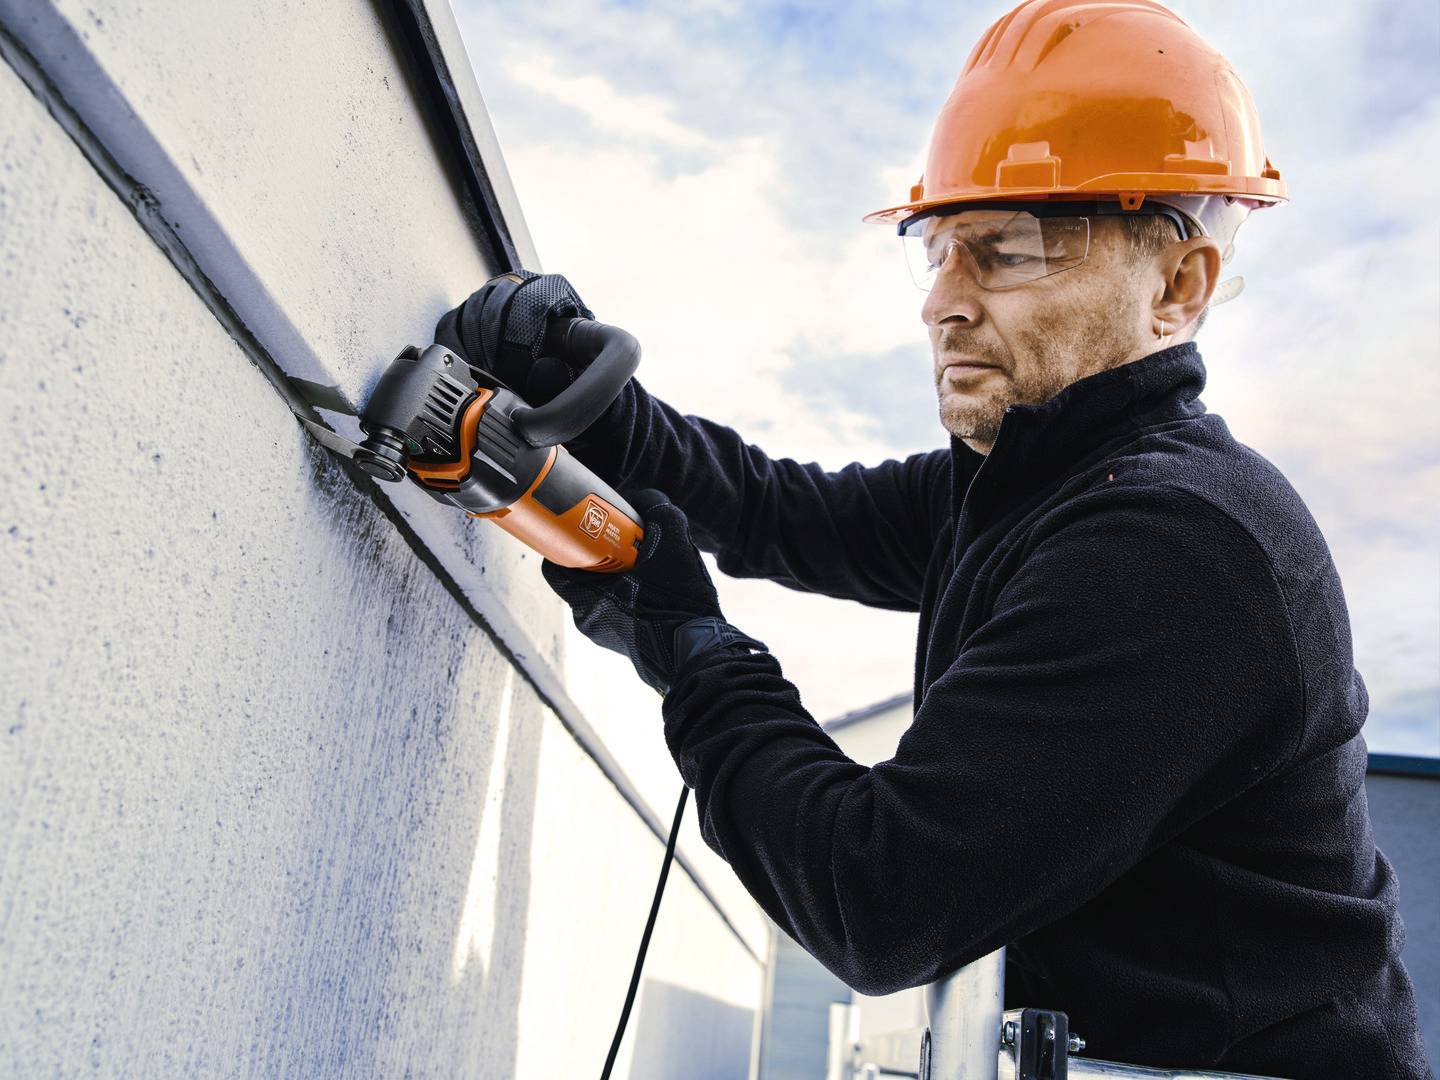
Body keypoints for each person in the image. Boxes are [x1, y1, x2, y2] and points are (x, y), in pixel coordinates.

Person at [437, 1, 1431, 1075]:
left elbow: (878, 895)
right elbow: (779, 509)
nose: (942, 306)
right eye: (940, 250)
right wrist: (600, 407)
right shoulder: (1033, 485)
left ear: (1176, 286)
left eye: (1005, 253)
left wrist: (685, 644)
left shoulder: (1176, 546)